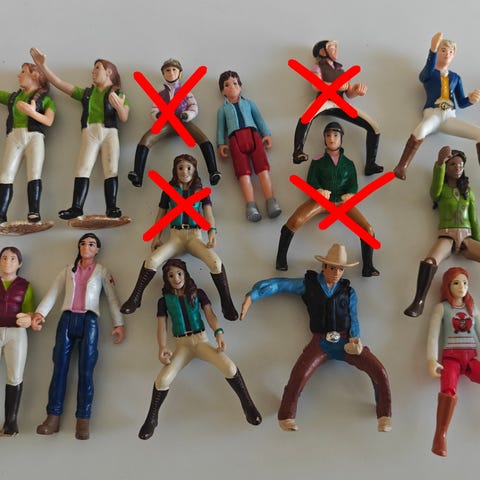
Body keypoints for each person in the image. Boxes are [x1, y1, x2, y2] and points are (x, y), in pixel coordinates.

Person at [241, 243, 391, 432]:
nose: (336, 273)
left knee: (378, 370)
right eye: (332, 268)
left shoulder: (348, 291)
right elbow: (280, 284)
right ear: (324, 267)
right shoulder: (309, 285)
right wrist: (253, 295)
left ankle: (384, 415)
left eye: (341, 269)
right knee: (300, 374)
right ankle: (286, 415)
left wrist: (355, 339)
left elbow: (353, 317)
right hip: (320, 342)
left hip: (346, 342)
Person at [138, 258, 261, 440]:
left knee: (229, 367)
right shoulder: (164, 301)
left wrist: (218, 332)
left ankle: (248, 404)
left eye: (179, 273)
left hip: (201, 340)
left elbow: (210, 315)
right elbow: (161, 326)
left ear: (185, 274)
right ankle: (152, 417)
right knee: (163, 379)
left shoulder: (198, 293)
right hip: (182, 345)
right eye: (171, 275)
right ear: (166, 278)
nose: (176, 278)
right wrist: (162, 347)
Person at [121, 154, 238, 320]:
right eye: (181, 168)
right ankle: (135, 297)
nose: (185, 171)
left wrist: (212, 231)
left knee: (215, 262)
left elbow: (208, 214)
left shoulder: (201, 191)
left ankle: (227, 303)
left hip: (194, 236)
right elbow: (161, 215)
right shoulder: (168, 190)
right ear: (175, 170)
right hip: (176, 237)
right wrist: (156, 236)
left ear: (194, 170)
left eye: (189, 168)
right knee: (152, 260)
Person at [31, 233, 125, 440]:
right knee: (59, 369)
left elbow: (112, 298)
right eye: (83, 243)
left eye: (91, 244)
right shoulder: (68, 270)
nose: (86, 247)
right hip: (66, 320)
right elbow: (53, 292)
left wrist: (118, 323)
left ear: (97, 249)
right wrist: (40, 313)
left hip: (89, 321)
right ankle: (52, 417)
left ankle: (83, 419)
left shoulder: (101, 271)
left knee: (86, 371)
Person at [30, 47, 129, 219]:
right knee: (83, 167)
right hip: (90, 132)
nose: (93, 72)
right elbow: (59, 83)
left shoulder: (117, 95)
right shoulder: (86, 94)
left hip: (110, 132)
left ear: (109, 72)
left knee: (111, 168)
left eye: (97, 68)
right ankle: (77, 207)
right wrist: (42, 66)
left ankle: (112, 207)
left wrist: (119, 107)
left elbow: (124, 117)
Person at [276, 122, 379, 277]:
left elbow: (353, 183)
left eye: (335, 135)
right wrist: (319, 190)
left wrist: (351, 194)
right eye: (328, 135)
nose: (331, 139)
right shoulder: (317, 160)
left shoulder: (348, 164)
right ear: (324, 138)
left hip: (342, 203)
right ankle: (281, 259)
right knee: (294, 221)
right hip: (322, 201)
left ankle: (368, 267)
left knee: (367, 229)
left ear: (341, 138)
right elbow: (311, 179)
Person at [404, 146, 480, 317]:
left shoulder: (468, 192)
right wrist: (439, 163)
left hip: (467, 236)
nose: (457, 168)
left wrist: (478, 240)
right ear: (446, 167)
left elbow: (474, 219)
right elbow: (434, 191)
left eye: (460, 165)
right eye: (452, 164)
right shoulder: (441, 190)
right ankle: (418, 301)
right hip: (447, 235)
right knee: (430, 261)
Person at [394, 32, 480, 180]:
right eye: (443, 50)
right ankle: (402, 166)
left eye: (451, 52)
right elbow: (424, 75)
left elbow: (461, 102)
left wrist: (471, 100)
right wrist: (432, 50)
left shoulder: (455, 77)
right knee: (420, 130)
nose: (447, 54)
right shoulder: (430, 73)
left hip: (450, 117)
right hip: (433, 113)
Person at [292, 40, 383, 176]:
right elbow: (316, 85)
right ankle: (298, 152)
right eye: (332, 48)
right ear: (323, 51)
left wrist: (356, 89)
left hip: (340, 103)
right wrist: (335, 85)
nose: (335, 51)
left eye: (335, 48)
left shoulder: (341, 70)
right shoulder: (318, 67)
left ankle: (370, 164)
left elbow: (349, 92)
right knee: (307, 115)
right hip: (324, 100)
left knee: (373, 126)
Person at [128, 58, 220, 188]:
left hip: (182, 122)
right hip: (166, 122)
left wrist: (187, 115)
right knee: (146, 139)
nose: (171, 73)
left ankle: (213, 172)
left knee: (203, 139)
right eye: (167, 70)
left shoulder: (186, 92)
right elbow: (154, 109)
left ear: (180, 73)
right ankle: (138, 175)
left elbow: (193, 107)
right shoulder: (160, 94)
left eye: (174, 70)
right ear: (163, 74)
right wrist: (157, 115)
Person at [427, 267, 480, 457]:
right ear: (448, 286)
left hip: (471, 358)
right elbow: (433, 336)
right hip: (451, 359)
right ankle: (440, 435)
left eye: (465, 283)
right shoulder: (442, 308)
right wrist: (432, 359)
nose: (461, 287)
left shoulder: (472, 308)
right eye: (456, 283)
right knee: (448, 391)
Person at [216, 70, 281, 222]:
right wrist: (221, 144)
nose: (232, 87)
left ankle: (271, 201)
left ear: (240, 86)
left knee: (263, 170)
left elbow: (259, 119)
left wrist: (266, 134)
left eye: (235, 83)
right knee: (243, 174)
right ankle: (251, 206)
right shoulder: (222, 110)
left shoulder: (249, 104)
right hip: (235, 140)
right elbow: (220, 129)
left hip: (254, 136)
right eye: (227, 85)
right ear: (222, 91)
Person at [0, 62, 56, 223]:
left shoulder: (46, 100)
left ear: (35, 75)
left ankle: (34, 212)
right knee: (5, 174)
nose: (19, 75)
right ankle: (1, 213)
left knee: (34, 173)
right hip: (14, 136)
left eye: (23, 72)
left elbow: (48, 120)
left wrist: (32, 112)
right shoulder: (13, 98)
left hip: (34, 137)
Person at [0, 247, 34, 436]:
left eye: (13, 258)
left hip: (16, 333)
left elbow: (30, 310)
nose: (7, 262)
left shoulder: (25, 286)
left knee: (15, 376)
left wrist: (28, 318)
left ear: (19, 263)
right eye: (4, 258)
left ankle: (10, 423)